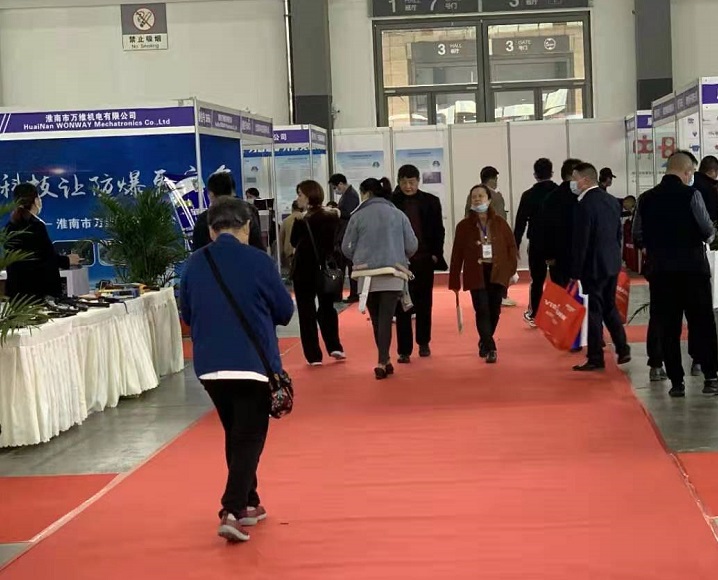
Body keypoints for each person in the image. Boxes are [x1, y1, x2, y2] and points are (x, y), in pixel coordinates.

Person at [180, 197, 294, 543]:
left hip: (209, 365)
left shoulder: (194, 263)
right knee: (249, 436)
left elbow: (186, 313)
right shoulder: (258, 261)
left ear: (211, 229)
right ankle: (231, 509)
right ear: (246, 226)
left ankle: (250, 501)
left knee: (236, 432)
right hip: (251, 363)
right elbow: (285, 311)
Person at [633, 151, 718, 397]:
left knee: (668, 326)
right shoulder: (693, 195)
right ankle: (710, 377)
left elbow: (637, 234)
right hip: (693, 270)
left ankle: (676, 383)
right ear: (688, 172)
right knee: (702, 323)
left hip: (661, 272)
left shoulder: (646, 198)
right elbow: (707, 230)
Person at [342, 178, 418, 379]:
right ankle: (384, 360)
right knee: (385, 318)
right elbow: (412, 245)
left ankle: (383, 360)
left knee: (377, 320)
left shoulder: (357, 216)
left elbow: (346, 247)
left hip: (366, 276)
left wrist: (361, 256)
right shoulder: (398, 214)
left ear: (365, 193)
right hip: (393, 273)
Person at [571, 162, 631, 372]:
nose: (573, 183)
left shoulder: (584, 205)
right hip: (611, 262)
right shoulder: (612, 201)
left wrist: (575, 270)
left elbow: (582, 240)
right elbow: (618, 234)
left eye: (575, 178)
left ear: (585, 180)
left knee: (595, 310)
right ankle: (622, 347)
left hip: (593, 265)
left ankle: (596, 356)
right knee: (609, 306)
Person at [450, 184, 518, 364]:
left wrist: (511, 269)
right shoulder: (464, 226)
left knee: (494, 310)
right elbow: (457, 254)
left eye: (481, 196)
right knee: (481, 309)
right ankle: (491, 347)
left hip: (497, 272)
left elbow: (511, 246)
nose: (477, 199)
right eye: (474, 197)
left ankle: (484, 340)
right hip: (476, 272)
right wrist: (454, 280)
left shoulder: (500, 223)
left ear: (488, 199)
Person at [392, 164, 447, 362]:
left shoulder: (431, 201)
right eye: (404, 182)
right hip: (400, 262)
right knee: (402, 306)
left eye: (412, 182)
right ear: (398, 182)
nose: (408, 186)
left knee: (424, 303)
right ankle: (404, 350)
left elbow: (439, 230)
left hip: (424, 259)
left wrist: (436, 255)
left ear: (418, 181)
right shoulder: (392, 202)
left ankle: (424, 342)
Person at [291, 180, 346, 365]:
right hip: (326, 270)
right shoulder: (332, 217)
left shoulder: (301, 220)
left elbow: (293, 242)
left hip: (304, 271)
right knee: (327, 308)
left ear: (308, 197)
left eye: (300, 194)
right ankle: (335, 346)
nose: (298, 198)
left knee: (306, 312)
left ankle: (313, 355)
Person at [3, 183, 80, 301]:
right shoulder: (36, 226)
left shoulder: (9, 226)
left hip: (17, 294)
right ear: (35, 200)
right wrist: (68, 260)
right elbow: (46, 258)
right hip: (38, 292)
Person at [514, 158, 558, 325]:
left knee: (537, 280)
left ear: (535, 175)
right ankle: (558, 313)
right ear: (551, 173)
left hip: (537, 243)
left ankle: (535, 314)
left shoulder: (529, 195)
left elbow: (520, 222)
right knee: (558, 280)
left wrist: (516, 244)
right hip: (557, 244)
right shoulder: (559, 193)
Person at [463, 166, 516, 308]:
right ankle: (501, 295)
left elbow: (467, 215)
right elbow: (501, 218)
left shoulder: (472, 195)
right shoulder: (496, 196)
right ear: (493, 179)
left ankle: (484, 294)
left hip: (477, 239)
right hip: (494, 238)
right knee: (499, 267)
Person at [192, 172, 265, 252]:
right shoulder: (250, 211)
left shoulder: (205, 218)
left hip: (215, 258)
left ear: (211, 194)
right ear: (232, 191)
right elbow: (257, 244)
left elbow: (198, 249)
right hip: (248, 257)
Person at [542, 158, 582, 289]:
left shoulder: (551, 197)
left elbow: (546, 228)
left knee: (561, 291)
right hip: (580, 254)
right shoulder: (584, 196)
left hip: (558, 255)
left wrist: (549, 254)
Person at [329, 174, 361, 303]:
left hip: (347, 235)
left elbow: (349, 214)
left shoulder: (351, 195)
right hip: (344, 234)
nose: (335, 190)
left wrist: (336, 211)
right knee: (343, 266)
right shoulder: (347, 195)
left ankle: (353, 294)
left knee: (349, 266)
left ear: (341, 184)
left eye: (335, 187)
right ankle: (340, 294)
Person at [278, 200, 302, 273]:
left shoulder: (286, 221)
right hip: (302, 251)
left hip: (289, 252)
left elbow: (281, 239)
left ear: (292, 208)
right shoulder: (305, 218)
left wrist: (281, 255)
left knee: (291, 272)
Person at [693, 155, 718, 221]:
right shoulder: (711, 188)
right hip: (707, 224)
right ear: (712, 171)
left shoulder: (691, 181)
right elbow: (713, 213)